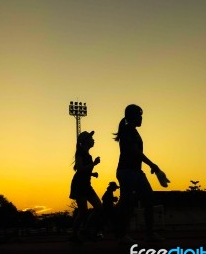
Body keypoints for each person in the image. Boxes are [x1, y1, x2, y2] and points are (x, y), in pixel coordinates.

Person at [113, 104, 166, 244]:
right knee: (127, 203)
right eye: (139, 115)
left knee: (148, 199)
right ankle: (121, 235)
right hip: (127, 171)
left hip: (135, 171)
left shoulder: (132, 131)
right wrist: (153, 165)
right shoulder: (127, 131)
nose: (141, 118)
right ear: (133, 116)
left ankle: (149, 234)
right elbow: (135, 152)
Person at [69, 130, 104, 243]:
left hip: (86, 184)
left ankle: (85, 229)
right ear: (85, 141)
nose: (93, 140)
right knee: (83, 212)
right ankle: (75, 236)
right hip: (79, 185)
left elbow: (84, 170)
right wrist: (94, 164)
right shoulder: (80, 152)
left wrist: (92, 173)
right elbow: (80, 169)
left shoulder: (87, 154)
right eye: (91, 138)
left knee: (99, 207)